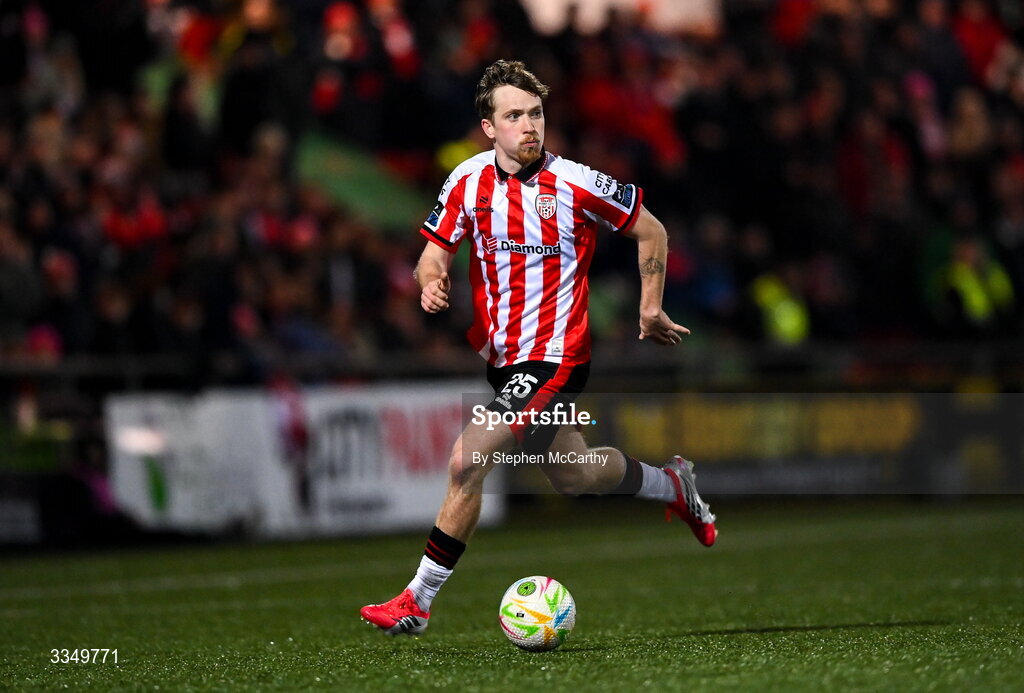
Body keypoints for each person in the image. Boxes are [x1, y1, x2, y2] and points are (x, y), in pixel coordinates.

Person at [360, 60, 716, 637]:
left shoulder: (576, 181)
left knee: (466, 458)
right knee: (573, 474)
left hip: (556, 357)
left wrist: (649, 307)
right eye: (514, 115)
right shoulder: (466, 180)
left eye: (536, 114)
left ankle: (417, 601)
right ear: (488, 126)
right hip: (502, 362)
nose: (529, 126)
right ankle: (672, 483)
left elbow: (652, 230)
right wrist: (431, 279)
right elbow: (434, 249)